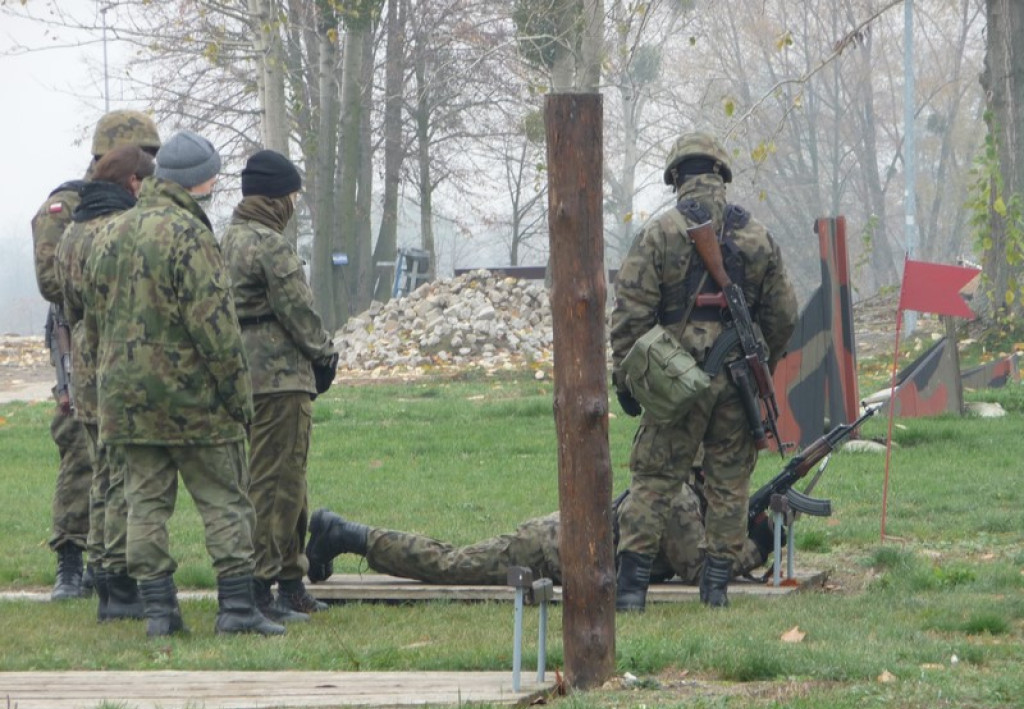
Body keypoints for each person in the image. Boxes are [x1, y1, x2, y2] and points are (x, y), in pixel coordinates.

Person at [84, 130, 283, 638]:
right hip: (195, 404)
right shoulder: (191, 236)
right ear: (204, 181)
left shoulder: (108, 233)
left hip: (126, 403)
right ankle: (237, 609)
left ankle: (158, 613)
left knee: (144, 505)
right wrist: (240, 399)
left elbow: (92, 322)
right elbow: (215, 327)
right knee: (224, 501)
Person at [610, 132, 797, 610]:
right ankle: (714, 594)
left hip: (674, 381)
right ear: (721, 175)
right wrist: (761, 367)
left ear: (676, 177)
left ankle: (630, 593)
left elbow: (631, 313)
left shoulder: (658, 233)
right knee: (730, 483)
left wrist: (631, 378)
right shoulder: (757, 237)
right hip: (736, 383)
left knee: (653, 479)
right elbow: (783, 316)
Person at [31, 110, 162, 601]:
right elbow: (52, 282)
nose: (149, 164)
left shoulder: (144, 198)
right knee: (78, 447)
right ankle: (71, 557)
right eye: (143, 154)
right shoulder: (66, 205)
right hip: (77, 335)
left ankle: (115, 561)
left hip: (130, 341)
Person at [221, 149, 338, 623]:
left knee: (281, 482)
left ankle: (291, 581)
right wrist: (325, 356)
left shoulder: (224, 241)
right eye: (290, 195)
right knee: (276, 488)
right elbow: (298, 311)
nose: (293, 205)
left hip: (241, 379)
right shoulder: (270, 245)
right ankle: (261, 588)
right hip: (281, 381)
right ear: (275, 198)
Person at [303, 483, 777, 588]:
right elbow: (698, 571)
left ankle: (344, 534)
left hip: (559, 542)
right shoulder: (677, 500)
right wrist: (757, 545)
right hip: (546, 553)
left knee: (452, 561)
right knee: (448, 566)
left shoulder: (679, 492)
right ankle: (345, 534)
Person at [55, 145, 156, 622]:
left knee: (101, 475)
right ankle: (118, 582)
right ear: (133, 183)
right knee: (119, 478)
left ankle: (101, 573)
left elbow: (66, 306)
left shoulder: (71, 233)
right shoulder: (116, 232)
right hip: (116, 362)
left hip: (84, 362)